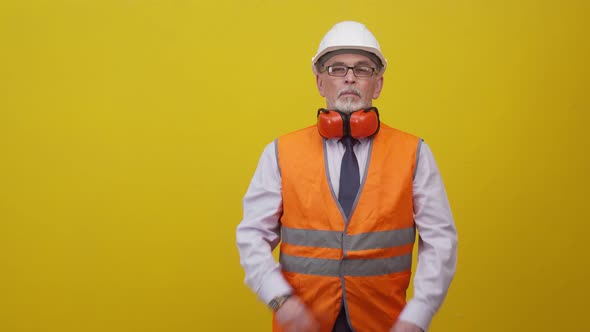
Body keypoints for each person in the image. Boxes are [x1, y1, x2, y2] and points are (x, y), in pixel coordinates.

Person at [236, 21, 457, 332]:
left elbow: (441, 241)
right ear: (319, 82)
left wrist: (418, 316)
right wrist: (279, 299)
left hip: (386, 325)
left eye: (363, 69)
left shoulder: (415, 153)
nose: (350, 78)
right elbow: (251, 236)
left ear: (377, 84)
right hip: (301, 326)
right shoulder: (279, 152)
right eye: (337, 69)